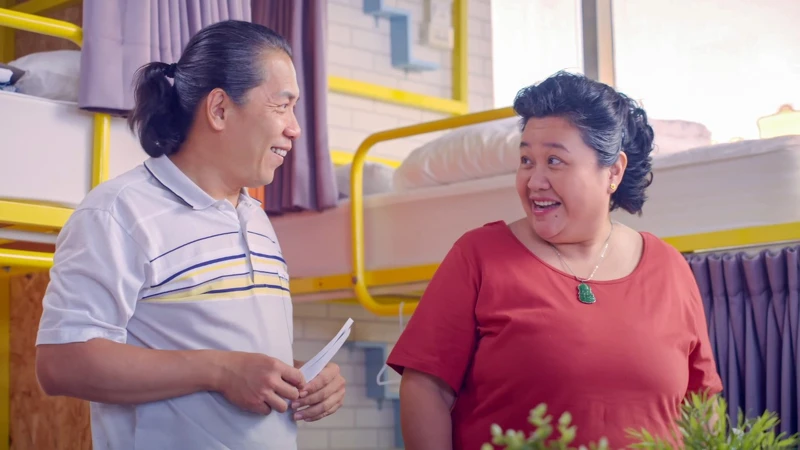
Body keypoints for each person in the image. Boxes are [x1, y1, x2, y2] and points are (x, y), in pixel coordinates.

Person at [34, 20, 345, 450]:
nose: (295, 128)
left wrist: (296, 376)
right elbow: (61, 363)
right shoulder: (118, 212)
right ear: (219, 109)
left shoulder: (256, 220)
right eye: (281, 106)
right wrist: (220, 371)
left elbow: (232, 358)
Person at [386, 71, 723, 449]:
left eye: (554, 161)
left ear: (613, 171)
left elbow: (702, 403)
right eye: (526, 160)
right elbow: (425, 387)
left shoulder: (669, 267)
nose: (534, 181)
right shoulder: (478, 256)